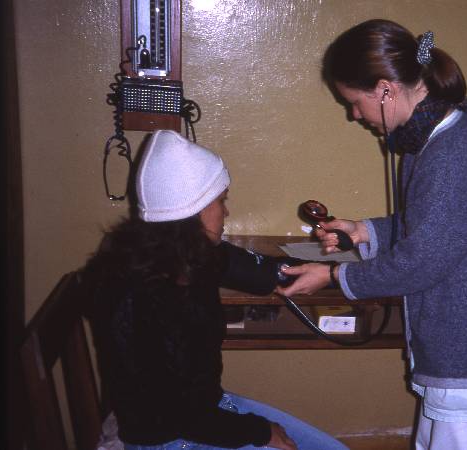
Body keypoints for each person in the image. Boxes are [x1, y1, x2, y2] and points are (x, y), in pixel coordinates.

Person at [278, 19, 467, 450]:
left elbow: (420, 263)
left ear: (385, 90)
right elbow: (437, 225)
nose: (355, 115)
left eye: (354, 102)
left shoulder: (454, 153)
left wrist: (333, 276)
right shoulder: (431, 137)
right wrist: (363, 230)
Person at [82, 129, 348, 450]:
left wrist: (334, 273)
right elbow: (177, 414)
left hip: (204, 411)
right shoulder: (140, 295)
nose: (227, 211)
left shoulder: (187, 253)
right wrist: (259, 431)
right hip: (171, 437)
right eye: (221, 201)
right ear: (195, 208)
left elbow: (257, 269)